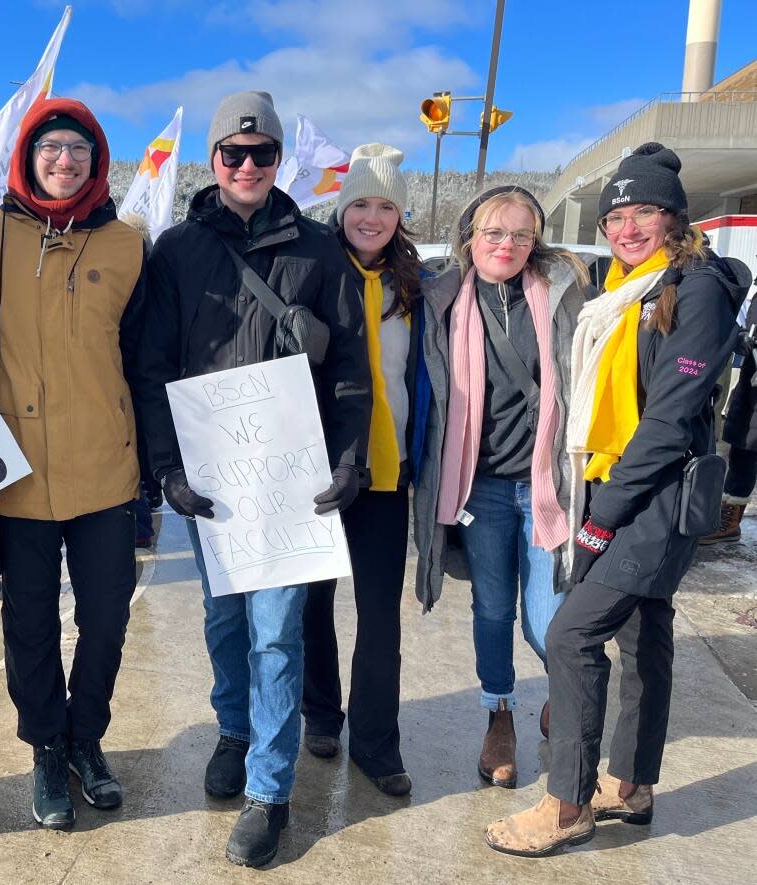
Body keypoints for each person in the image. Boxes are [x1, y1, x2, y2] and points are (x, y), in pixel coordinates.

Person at [486, 143, 749, 857]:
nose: (628, 227)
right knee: (644, 631)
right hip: (620, 481)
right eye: (617, 215)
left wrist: (601, 519)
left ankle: (566, 801)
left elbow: (667, 421)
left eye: (645, 213)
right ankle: (631, 782)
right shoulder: (628, 285)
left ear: (675, 216)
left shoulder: (695, 289)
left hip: (656, 496)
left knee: (572, 634)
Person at [137, 91, 368, 868]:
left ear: (277, 161)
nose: (245, 166)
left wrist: (348, 456)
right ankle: (233, 726)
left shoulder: (320, 248)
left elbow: (350, 369)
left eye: (261, 153)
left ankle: (270, 790)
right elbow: (153, 364)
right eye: (232, 154)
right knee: (224, 621)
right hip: (210, 476)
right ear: (214, 160)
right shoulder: (176, 250)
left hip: (289, 480)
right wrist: (165, 466)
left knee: (276, 631)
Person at [0, 98, 146, 830]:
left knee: (105, 619)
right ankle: (45, 743)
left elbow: (147, 358)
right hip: (17, 474)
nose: (63, 162)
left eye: (77, 150)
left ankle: (86, 737)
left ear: (97, 161)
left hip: (106, 469)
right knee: (30, 624)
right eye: (50, 149)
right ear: (26, 157)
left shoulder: (129, 246)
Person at [414, 185, 591, 789]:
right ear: (470, 238)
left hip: (546, 483)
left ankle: (562, 697)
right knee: (491, 610)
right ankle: (499, 714)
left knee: (549, 622)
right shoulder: (442, 300)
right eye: (494, 232)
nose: (507, 245)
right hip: (480, 489)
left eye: (521, 234)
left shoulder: (564, 295)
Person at [300, 144, 429, 797]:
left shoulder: (414, 288)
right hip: (321, 468)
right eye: (361, 203)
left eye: (386, 205)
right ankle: (320, 713)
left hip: (387, 471)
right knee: (312, 602)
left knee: (380, 615)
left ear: (400, 216)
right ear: (342, 208)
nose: (372, 216)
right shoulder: (314, 271)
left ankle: (377, 742)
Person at [700, 289, 757, 543]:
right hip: (752, 385)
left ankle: (729, 518)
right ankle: (729, 518)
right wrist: (740, 337)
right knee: (744, 447)